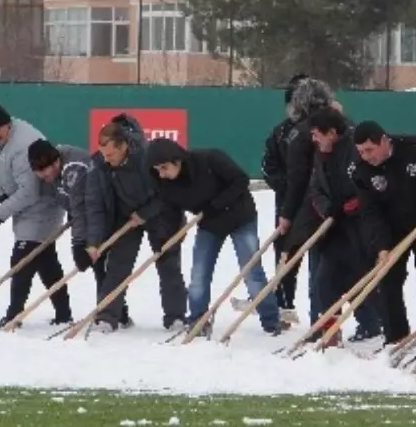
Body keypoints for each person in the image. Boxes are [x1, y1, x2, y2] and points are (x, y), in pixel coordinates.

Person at [147, 137, 288, 337]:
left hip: (241, 217)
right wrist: (165, 238)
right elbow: (170, 213)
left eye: (164, 167)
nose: (161, 174)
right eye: (157, 170)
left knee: (251, 272)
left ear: (177, 160)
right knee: (199, 275)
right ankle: (198, 320)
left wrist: (216, 204)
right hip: (210, 225)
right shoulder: (165, 184)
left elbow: (241, 180)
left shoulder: (209, 159)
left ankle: (271, 320)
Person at [84, 115, 187, 332]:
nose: (106, 158)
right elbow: (95, 206)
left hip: (160, 213)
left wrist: (145, 213)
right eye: (103, 153)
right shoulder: (98, 165)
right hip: (125, 216)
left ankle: (175, 316)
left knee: (168, 263)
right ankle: (106, 317)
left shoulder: (147, 157)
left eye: (111, 153)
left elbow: (168, 190)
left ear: (124, 147)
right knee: (117, 266)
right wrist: (93, 241)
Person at [0, 101, 71, 329]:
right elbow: (0, 167)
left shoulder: (23, 146)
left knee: (22, 259)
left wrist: (1, 211)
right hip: (23, 205)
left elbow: (30, 192)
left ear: (8, 124)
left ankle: (14, 314)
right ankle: (63, 313)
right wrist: (1, 192)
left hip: (42, 206)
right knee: (46, 260)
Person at [301, 107, 385, 343]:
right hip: (335, 227)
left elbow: (369, 186)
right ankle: (330, 328)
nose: (314, 139)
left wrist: (348, 207)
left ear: (331, 132)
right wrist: (327, 208)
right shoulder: (321, 152)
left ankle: (375, 323)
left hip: (360, 226)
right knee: (324, 278)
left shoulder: (354, 147)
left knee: (360, 276)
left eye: (317, 134)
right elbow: (315, 188)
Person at [28, 139, 133, 327]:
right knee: (99, 265)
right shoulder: (52, 173)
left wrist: (79, 243)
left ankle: (110, 313)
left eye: (48, 168)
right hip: (92, 215)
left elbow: (80, 207)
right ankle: (118, 311)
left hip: (110, 211)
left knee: (104, 264)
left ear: (56, 161)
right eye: (40, 171)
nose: (46, 174)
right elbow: (70, 203)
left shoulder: (74, 168)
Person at [350, 120, 416, 346]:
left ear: (384, 141)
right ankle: (396, 338)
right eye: (361, 151)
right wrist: (382, 246)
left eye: (369, 149)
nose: (366, 156)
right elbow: (370, 212)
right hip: (391, 229)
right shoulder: (361, 171)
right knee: (387, 280)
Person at [275, 77, 336, 326]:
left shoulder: (300, 134)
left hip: (313, 208)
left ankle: (321, 324)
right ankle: (330, 323)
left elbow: (297, 180)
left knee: (319, 270)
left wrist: (287, 214)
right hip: (340, 205)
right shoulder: (343, 125)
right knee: (331, 270)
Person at [256, 73, 310, 324]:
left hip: (322, 204)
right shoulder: (279, 133)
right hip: (288, 205)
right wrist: (287, 188)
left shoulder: (323, 127)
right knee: (286, 255)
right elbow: (269, 167)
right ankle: (284, 306)